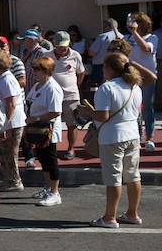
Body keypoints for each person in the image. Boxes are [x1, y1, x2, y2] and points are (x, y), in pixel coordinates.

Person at [79, 53, 143, 228]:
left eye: (105, 67)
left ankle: (109, 217)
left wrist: (87, 112)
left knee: (113, 178)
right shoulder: (135, 86)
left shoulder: (107, 88)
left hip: (113, 137)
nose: (103, 70)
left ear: (111, 68)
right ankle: (132, 213)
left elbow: (103, 116)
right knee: (133, 176)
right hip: (132, 134)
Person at [26, 57, 64, 206]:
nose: (33, 71)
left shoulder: (52, 88)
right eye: (33, 68)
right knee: (42, 159)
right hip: (38, 129)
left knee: (50, 160)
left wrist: (35, 119)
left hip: (48, 129)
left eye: (37, 69)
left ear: (46, 71)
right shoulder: (38, 85)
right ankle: (48, 188)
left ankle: (55, 193)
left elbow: (56, 112)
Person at [0, 50, 27, 192]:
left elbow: (11, 104)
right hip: (6, 122)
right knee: (4, 151)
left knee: (11, 152)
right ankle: (8, 179)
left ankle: (15, 181)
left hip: (12, 123)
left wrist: (6, 125)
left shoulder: (7, 79)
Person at [44, 31, 85, 160]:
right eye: (59, 46)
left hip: (71, 95)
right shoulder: (47, 56)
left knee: (72, 123)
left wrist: (74, 86)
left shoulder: (75, 55)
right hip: (52, 96)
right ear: (54, 44)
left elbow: (81, 73)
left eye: (64, 45)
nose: (62, 48)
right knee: (49, 123)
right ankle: (49, 148)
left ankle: (71, 149)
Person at [125, 13, 158, 152]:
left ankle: (149, 137)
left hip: (147, 77)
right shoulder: (127, 38)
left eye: (137, 22)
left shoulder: (153, 38)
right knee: (133, 108)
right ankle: (136, 137)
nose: (134, 24)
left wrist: (134, 33)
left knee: (147, 108)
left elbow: (145, 48)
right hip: (131, 77)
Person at [87, 18, 120, 86]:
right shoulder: (123, 37)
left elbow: (91, 53)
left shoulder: (103, 36)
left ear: (108, 26)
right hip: (118, 66)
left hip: (101, 67)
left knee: (98, 88)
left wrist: (91, 44)